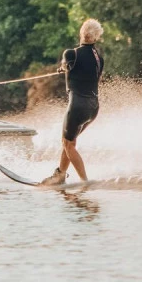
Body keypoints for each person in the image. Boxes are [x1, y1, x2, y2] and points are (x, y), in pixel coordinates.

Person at [41, 19, 104, 185]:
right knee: (70, 142)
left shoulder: (71, 53)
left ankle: (85, 182)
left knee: (68, 144)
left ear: (81, 33)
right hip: (93, 107)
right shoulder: (99, 59)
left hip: (78, 105)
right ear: (96, 37)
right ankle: (60, 174)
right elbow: (92, 77)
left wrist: (62, 69)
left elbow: (66, 66)